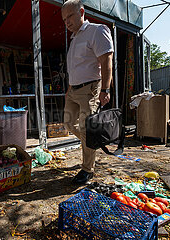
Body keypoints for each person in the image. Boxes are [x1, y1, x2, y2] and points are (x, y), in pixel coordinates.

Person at [61, 0, 114, 184]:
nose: (66, 21)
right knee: (68, 124)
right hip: (73, 90)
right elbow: (74, 68)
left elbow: (107, 61)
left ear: (81, 11)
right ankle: (91, 141)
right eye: (64, 19)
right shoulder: (74, 38)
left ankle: (87, 169)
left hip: (90, 89)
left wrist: (105, 89)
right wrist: (68, 90)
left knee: (86, 128)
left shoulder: (97, 31)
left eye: (69, 16)